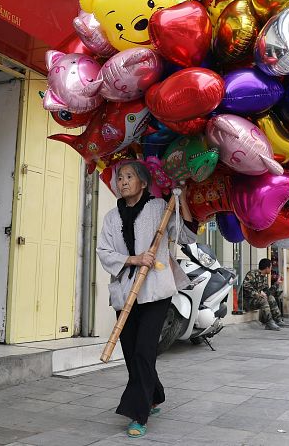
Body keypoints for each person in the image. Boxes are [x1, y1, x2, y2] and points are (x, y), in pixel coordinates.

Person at [97, 161, 198, 438]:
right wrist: (134, 259)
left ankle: (137, 413)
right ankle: (154, 395)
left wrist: (183, 198)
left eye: (130, 176)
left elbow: (186, 234)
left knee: (144, 350)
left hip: (155, 291)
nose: (123, 182)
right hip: (125, 293)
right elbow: (104, 251)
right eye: (120, 178)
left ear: (143, 182)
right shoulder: (111, 217)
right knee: (131, 351)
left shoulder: (159, 208)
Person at [243, 259, 289, 330]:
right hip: (247, 302)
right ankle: (269, 323)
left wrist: (277, 283)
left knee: (270, 298)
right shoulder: (252, 274)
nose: (271, 269)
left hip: (255, 301)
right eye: (271, 267)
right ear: (267, 268)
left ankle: (278, 320)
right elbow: (245, 286)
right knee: (263, 300)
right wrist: (257, 294)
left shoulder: (263, 278)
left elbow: (267, 293)